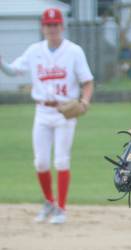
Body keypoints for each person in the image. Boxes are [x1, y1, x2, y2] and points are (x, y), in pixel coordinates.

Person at [0, 8, 94, 225]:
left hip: (65, 112)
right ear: (43, 27)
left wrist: (85, 101)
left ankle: (61, 208)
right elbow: (14, 71)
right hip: (42, 111)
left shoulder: (74, 51)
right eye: (48, 25)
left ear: (62, 27)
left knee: (61, 160)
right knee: (41, 162)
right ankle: (49, 202)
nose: (52, 29)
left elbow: (87, 81)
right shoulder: (34, 51)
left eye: (55, 25)